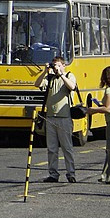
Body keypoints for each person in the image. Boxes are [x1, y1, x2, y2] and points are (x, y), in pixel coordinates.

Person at [35, 55, 78, 183]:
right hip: (50, 117)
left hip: (64, 117)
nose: (56, 68)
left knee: (67, 147)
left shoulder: (69, 75)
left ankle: (71, 173)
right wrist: (45, 72)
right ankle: (53, 174)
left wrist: (61, 74)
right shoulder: (50, 78)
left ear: (64, 65)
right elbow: (37, 84)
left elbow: (72, 87)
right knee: (52, 148)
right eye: (54, 66)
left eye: (58, 65)